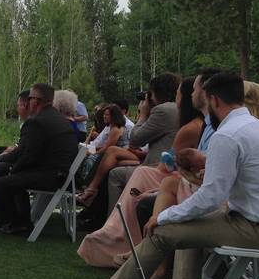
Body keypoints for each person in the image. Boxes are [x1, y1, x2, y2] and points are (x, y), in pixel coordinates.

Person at [67, 72, 259, 279]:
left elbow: (210, 196)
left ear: (214, 100)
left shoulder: (228, 135)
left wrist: (165, 216)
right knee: (184, 217)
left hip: (258, 228)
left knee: (162, 231)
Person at [77, 72, 212, 267]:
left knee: (119, 173)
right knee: (117, 161)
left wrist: (143, 113)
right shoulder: (198, 124)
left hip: (165, 172)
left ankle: (114, 228)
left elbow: (137, 139)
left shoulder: (168, 113)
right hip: (165, 170)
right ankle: (108, 220)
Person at [76, 73, 180, 206]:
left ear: (157, 93)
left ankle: (107, 215)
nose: (104, 117)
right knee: (112, 161)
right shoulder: (172, 110)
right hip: (153, 160)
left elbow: (135, 139)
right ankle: (93, 199)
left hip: (155, 165)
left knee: (114, 170)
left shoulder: (163, 110)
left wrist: (143, 115)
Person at [0, 83, 78, 235]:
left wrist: (13, 170)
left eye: (30, 98)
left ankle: (17, 223)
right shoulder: (59, 118)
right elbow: (32, 152)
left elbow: (29, 155)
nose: (28, 102)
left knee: (0, 184)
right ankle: (18, 220)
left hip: (49, 176)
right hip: (60, 174)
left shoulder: (37, 121)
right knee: (12, 176)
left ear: (36, 101)